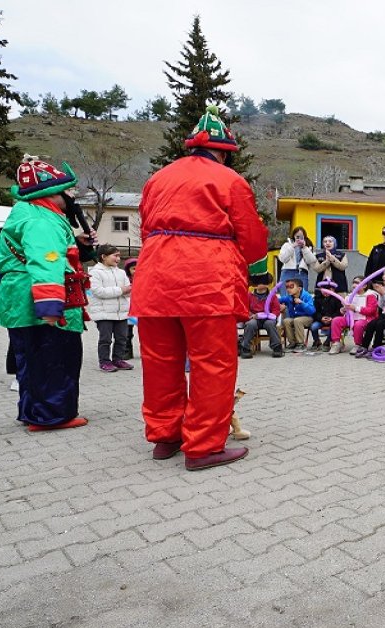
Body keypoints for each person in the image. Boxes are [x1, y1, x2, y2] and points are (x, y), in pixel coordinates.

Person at [133, 106, 268, 470]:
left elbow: (146, 228)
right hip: (207, 281)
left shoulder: (157, 178)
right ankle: (204, 446)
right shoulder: (229, 180)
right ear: (224, 151)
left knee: (161, 362)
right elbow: (252, 239)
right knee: (212, 364)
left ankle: (166, 436)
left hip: (154, 278)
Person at [0, 155, 92, 432]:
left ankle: (33, 411)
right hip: (37, 299)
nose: (68, 197)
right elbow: (45, 260)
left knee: (32, 359)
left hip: (19, 297)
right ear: (50, 194)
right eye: (64, 191)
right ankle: (51, 415)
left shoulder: (28, 213)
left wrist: (75, 241)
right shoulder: (42, 221)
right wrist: (49, 306)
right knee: (54, 357)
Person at [87, 244, 134, 373]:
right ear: (103, 257)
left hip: (121, 313)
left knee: (122, 338)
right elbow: (98, 291)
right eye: (115, 255)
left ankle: (117, 359)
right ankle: (104, 361)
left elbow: (127, 289)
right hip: (104, 313)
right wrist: (121, 290)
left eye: (119, 255)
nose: (118, 258)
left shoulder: (120, 272)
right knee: (105, 339)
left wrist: (130, 290)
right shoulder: (95, 273)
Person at [240, 272, 284, 358]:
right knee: (250, 324)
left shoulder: (272, 296)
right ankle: (245, 347)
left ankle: (277, 347)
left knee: (270, 324)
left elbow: (276, 310)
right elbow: (245, 308)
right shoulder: (249, 295)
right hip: (254, 318)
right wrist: (251, 315)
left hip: (268, 319)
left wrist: (271, 315)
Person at [333, 276, 377, 355]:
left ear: (364, 285)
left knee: (358, 324)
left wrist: (355, 308)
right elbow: (345, 309)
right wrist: (343, 310)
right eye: (353, 283)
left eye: (357, 283)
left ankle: (358, 344)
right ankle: (337, 343)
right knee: (336, 320)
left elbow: (371, 310)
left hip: (365, 319)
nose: (354, 285)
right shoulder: (349, 296)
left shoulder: (370, 295)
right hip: (350, 318)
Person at [278, 278, 315, 352]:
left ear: (299, 288)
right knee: (286, 321)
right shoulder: (288, 297)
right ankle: (292, 343)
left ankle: (301, 344)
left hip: (308, 318)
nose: (288, 289)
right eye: (287, 287)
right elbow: (275, 301)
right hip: (295, 318)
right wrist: (280, 305)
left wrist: (302, 303)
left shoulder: (307, 296)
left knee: (297, 320)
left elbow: (312, 311)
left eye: (291, 287)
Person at [311, 279, 344, 351]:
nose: (326, 291)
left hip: (332, 320)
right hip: (321, 320)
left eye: (329, 289)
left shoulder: (337, 299)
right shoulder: (317, 298)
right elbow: (315, 312)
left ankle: (327, 342)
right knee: (313, 326)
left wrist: (332, 318)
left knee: (333, 327)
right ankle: (317, 341)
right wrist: (321, 318)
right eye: (324, 289)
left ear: (333, 290)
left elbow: (339, 311)